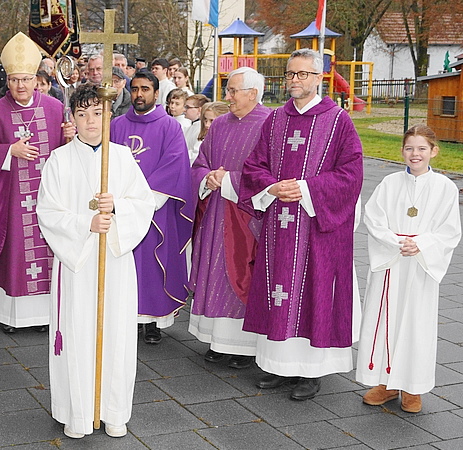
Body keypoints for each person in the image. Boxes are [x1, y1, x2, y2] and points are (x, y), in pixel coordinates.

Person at [239, 48, 363, 400]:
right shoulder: (276, 120)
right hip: (279, 225)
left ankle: (311, 371)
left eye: (302, 74)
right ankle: (279, 365)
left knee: (313, 292)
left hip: (314, 228)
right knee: (279, 293)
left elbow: (352, 174)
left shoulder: (338, 120)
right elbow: (254, 165)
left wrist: (307, 189)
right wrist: (273, 186)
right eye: (290, 74)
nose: (295, 80)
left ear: (319, 77)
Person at [38, 83, 154, 439]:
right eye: (83, 114)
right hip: (78, 263)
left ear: (109, 117)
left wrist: (118, 207)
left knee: (115, 332)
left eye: (98, 114)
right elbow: (47, 212)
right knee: (77, 332)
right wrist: (85, 223)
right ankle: (78, 411)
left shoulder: (121, 158)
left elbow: (143, 202)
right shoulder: (58, 160)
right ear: (73, 117)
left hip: (114, 262)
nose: (90, 121)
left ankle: (113, 409)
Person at [0, 32, 65, 333]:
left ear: (37, 79)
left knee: (46, 252)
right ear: (6, 81)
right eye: (14, 80)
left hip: (47, 198)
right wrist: (9, 151)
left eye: (26, 79)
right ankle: (10, 317)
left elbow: (66, 152)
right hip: (10, 200)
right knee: (14, 254)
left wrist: (72, 139)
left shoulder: (55, 108)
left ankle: (44, 318)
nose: (20, 86)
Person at [356, 125, 461, 413]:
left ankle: (412, 387)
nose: (415, 154)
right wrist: (395, 241)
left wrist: (422, 244)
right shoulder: (389, 184)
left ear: (434, 151)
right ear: (402, 151)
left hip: (420, 264)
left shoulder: (445, 188)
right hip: (391, 260)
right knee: (386, 319)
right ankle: (385, 383)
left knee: (416, 323)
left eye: (422, 148)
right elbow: (373, 219)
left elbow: (450, 230)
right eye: (410, 148)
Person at [188, 67, 271, 370]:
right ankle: (216, 341)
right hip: (216, 214)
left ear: (253, 93)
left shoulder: (269, 124)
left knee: (240, 275)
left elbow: (270, 173)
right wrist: (207, 177)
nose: (227, 97)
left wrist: (230, 180)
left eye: (233, 91)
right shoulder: (220, 124)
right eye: (228, 90)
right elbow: (201, 162)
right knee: (215, 272)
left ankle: (244, 346)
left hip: (247, 216)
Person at [110, 72, 194, 344]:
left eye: (145, 89)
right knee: (124, 263)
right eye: (135, 89)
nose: (139, 94)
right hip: (121, 208)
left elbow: (174, 164)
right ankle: (125, 317)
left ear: (156, 94)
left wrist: (142, 201)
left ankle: (152, 324)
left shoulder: (170, 127)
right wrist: (121, 200)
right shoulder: (116, 125)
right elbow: (104, 162)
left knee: (153, 265)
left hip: (155, 210)